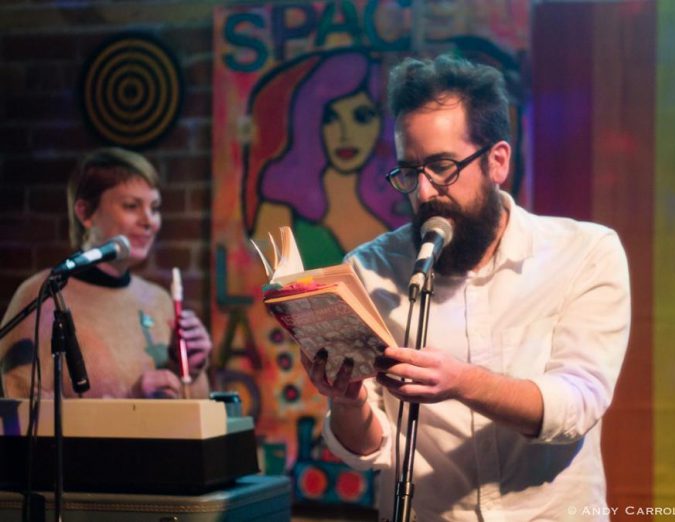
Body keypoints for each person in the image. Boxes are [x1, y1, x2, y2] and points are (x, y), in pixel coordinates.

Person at [302, 55, 631, 520]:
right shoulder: (370, 269)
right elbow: (367, 451)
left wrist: (461, 382)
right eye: (409, 172)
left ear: (497, 161)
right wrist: (347, 400)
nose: (424, 191)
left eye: (442, 167)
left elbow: (576, 405)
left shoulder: (585, 253)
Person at [0, 147, 212, 399]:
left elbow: (192, 413)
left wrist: (190, 371)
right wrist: (131, 401)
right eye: (132, 206)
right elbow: (22, 415)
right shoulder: (42, 295)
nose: (149, 221)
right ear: (85, 213)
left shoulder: (158, 300)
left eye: (154, 208)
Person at [244, 50, 408, 268]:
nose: (345, 133)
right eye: (331, 118)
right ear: (312, 122)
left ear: (383, 124)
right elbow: (273, 296)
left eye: (362, 116)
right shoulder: (281, 208)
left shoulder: (400, 203)